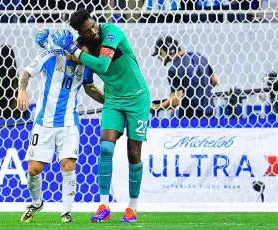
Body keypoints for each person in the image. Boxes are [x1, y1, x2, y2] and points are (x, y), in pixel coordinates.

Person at [51, 8, 151, 223]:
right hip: (114, 100)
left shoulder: (111, 31)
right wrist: (56, 49)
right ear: (81, 33)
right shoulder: (84, 48)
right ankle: (103, 206)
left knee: (133, 154)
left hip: (137, 98)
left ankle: (132, 208)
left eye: (94, 24)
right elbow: (88, 85)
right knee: (105, 148)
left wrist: (76, 53)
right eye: (88, 30)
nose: (94, 30)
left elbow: (103, 64)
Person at [18, 29, 104, 223]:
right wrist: (22, 90)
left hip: (69, 123)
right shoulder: (50, 55)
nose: (80, 59)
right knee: (34, 169)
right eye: (78, 54)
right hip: (44, 122)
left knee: (68, 164)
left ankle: (66, 212)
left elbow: (89, 87)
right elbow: (27, 72)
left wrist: (107, 101)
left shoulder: (86, 65)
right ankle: (37, 202)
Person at [150, 36, 219, 119]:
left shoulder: (174, 69)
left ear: (166, 50)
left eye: (160, 53)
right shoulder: (199, 57)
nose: (159, 57)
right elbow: (215, 80)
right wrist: (198, 90)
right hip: (209, 115)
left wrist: (156, 108)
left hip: (190, 119)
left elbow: (175, 100)